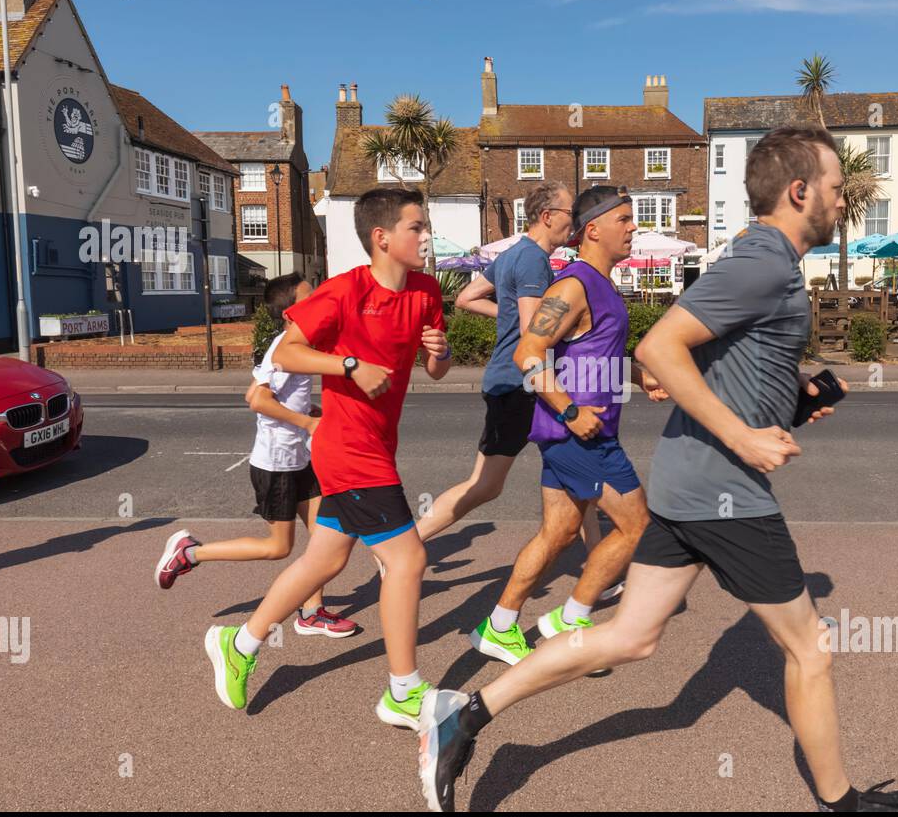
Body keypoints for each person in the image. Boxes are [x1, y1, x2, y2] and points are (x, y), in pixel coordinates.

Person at [417, 128, 898, 812]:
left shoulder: (758, 265)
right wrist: (737, 436)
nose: (844, 202)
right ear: (800, 190)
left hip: (686, 482)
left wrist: (790, 399)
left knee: (631, 636)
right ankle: (845, 804)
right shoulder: (761, 261)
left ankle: (465, 713)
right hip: (717, 485)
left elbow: (700, 358)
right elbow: (656, 346)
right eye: (839, 189)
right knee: (810, 648)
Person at [203, 187, 450, 722]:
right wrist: (349, 365)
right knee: (407, 560)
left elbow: (435, 370)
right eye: (416, 227)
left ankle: (239, 644)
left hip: (378, 443)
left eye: (425, 225)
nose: (426, 236)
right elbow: (288, 350)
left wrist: (442, 354)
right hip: (349, 448)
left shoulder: (427, 293)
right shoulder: (343, 292)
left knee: (326, 558)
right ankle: (403, 691)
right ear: (382, 238)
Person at [466, 186, 667, 667]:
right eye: (624, 219)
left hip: (575, 430)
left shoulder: (601, 283)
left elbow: (594, 351)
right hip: (580, 432)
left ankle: (498, 626)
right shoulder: (574, 285)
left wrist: (638, 375)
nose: (633, 227)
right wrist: (570, 411)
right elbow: (527, 352)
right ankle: (570, 619)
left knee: (557, 534)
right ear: (593, 229)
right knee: (638, 526)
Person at [417, 183, 608, 568]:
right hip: (522, 386)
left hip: (513, 383)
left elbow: (467, 299)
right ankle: (402, 545)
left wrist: (506, 312)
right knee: (485, 485)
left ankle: (600, 568)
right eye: (572, 212)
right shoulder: (534, 261)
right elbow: (531, 335)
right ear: (547, 216)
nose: (576, 220)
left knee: (577, 472)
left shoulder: (511, 255)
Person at [154, 274, 356, 637]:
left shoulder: (297, 344)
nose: (320, 303)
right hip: (276, 463)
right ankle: (190, 553)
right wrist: (306, 424)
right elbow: (257, 399)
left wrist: (308, 410)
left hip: (298, 459)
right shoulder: (286, 348)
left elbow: (275, 394)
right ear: (293, 312)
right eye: (311, 298)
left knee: (323, 536)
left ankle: (311, 613)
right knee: (278, 547)